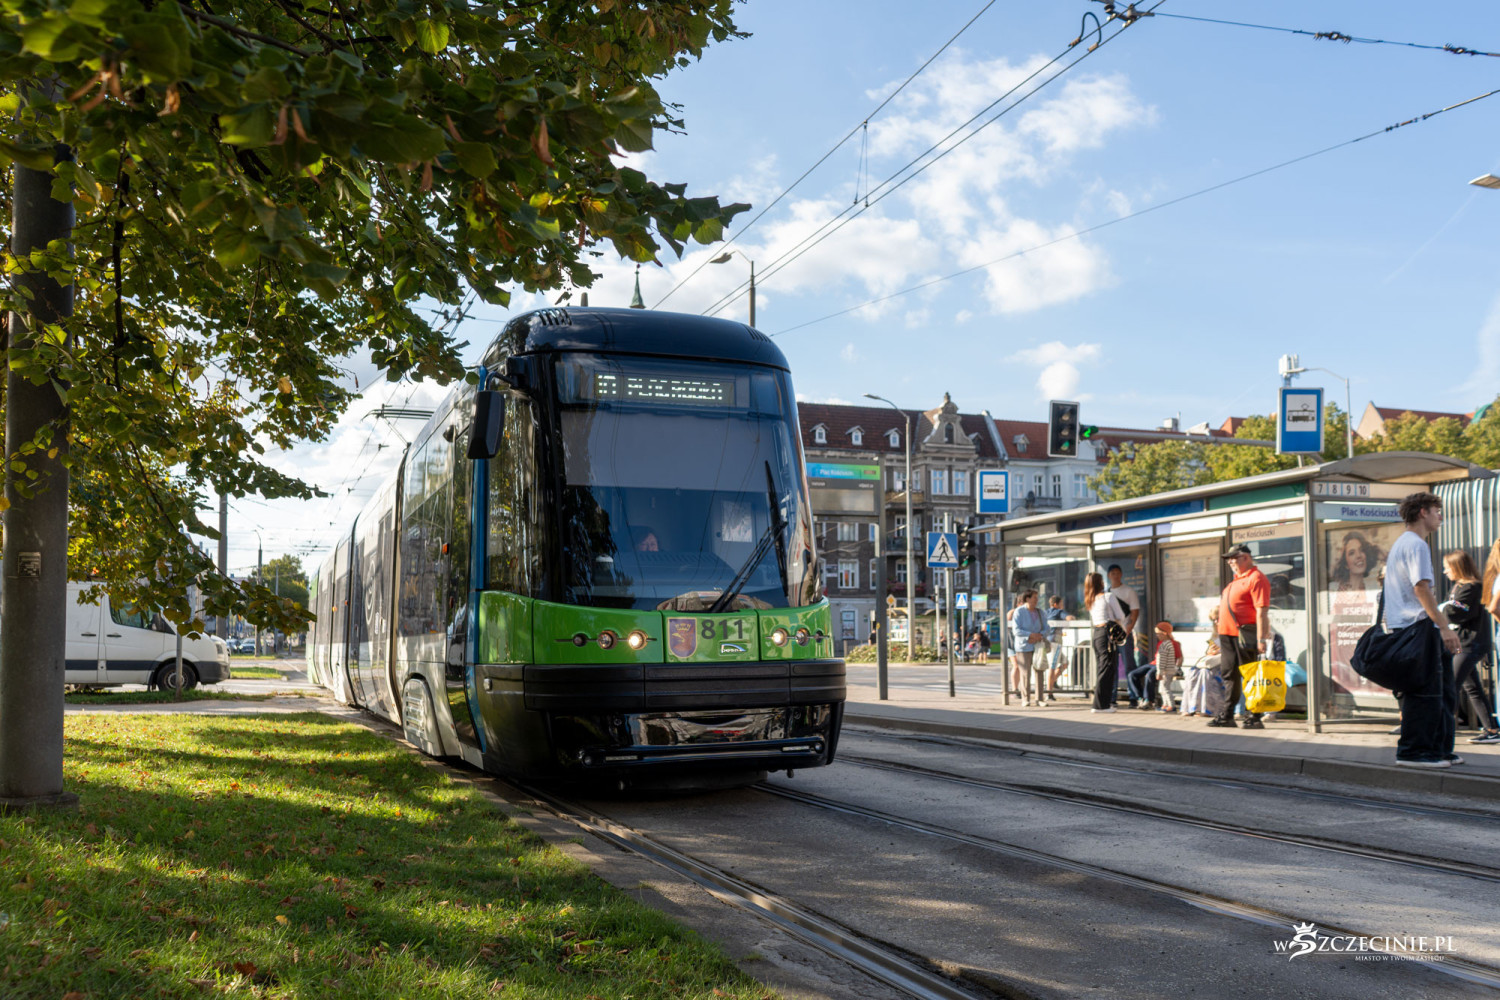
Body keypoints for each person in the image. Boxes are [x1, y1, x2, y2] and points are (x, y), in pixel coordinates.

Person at [1386, 493, 1462, 767]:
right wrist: (1444, 627)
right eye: (1436, 511)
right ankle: (1414, 753)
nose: (1440, 516)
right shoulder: (1416, 545)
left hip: (1409, 627)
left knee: (1440, 690)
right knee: (1425, 692)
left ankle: (1438, 749)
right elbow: (1421, 589)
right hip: (1418, 627)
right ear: (1422, 513)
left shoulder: (1403, 543)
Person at [1209, 543, 1272, 730]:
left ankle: (1254, 716)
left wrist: (1261, 639)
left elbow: (1262, 612)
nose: (1230, 562)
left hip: (1244, 635)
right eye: (1228, 558)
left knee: (1251, 676)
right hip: (1228, 635)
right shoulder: (1236, 580)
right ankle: (1227, 715)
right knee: (1230, 675)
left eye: (1234, 557)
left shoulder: (1256, 578)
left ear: (1246, 557)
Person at [1441, 551, 1498, 744]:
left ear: (1457, 567)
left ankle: (1442, 730)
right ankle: (1492, 729)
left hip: (1469, 644)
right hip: (1463, 643)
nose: (1445, 571)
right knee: (1472, 687)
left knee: (1451, 685)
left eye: (1448, 567)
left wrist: (1441, 608)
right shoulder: (1460, 586)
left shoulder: (1472, 587)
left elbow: (1459, 610)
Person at [1085, 572, 1127, 713]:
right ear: (1100, 582)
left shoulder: (1090, 600)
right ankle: (1100, 705)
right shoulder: (1108, 597)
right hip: (1107, 634)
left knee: (1102, 668)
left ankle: (1104, 704)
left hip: (1097, 634)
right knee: (1108, 668)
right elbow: (1120, 615)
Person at [1106, 564, 1141, 704]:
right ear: (1109, 575)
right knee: (1112, 666)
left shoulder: (1128, 591)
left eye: (1117, 573)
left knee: (1129, 666)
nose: (1115, 575)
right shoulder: (1106, 593)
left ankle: (1133, 696)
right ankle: (1112, 697)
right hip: (1111, 635)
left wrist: (1128, 630)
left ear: (1121, 575)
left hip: (1125, 635)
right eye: (1112, 573)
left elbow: (1134, 611)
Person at [1012, 590, 1047, 707]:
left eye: (1037, 598)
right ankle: (1025, 699)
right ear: (1027, 599)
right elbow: (1016, 630)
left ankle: (1040, 699)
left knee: (1039, 671)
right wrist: (1031, 635)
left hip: (1037, 646)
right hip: (1023, 647)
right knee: (1025, 673)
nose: (1037, 600)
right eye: (1034, 598)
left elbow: (1047, 628)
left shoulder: (1040, 612)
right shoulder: (1019, 612)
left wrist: (1039, 635)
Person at [1044, 595, 1072, 701]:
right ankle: (1049, 692)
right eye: (1061, 604)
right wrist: (1071, 619)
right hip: (1056, 642)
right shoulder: (1058, 612)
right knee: (1053, 666)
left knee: (1065, 663)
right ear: (1056, 604)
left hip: (1049, 641)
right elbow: (1069, 618)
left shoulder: (1046, 612)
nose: (1063, 606)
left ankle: (1053, 682)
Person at [1153, 622, 1183, 712]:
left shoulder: (1164, 645)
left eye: (1158, 634)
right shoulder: (1169, 644)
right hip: (1168, 670)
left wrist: (1160, 672)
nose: (1157, 636)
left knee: (1165, 688)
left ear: (1164, 633)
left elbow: (1162, 661)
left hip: (1166, 671)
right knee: (1163, 688)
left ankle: (1171, 705)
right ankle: (1165, 704)